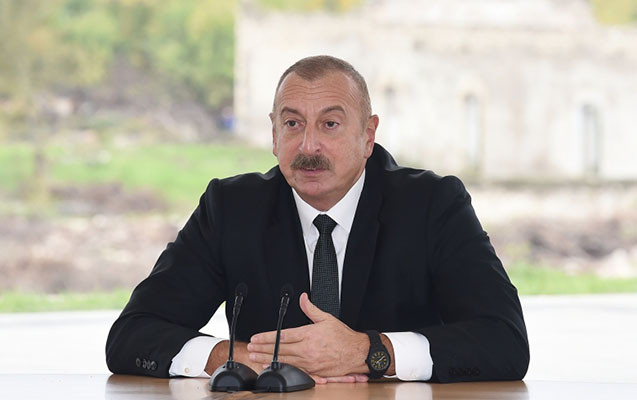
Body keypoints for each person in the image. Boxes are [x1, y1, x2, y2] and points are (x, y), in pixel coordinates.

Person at [106, 55, 529, 383]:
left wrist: (370, 352)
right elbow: (132, 335)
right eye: (293, 123)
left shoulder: (432, 205)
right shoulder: (231, 208)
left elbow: (504, 341)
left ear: (368, 135)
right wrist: (238, 358)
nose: (309, 146)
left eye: (330, 124)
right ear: (274, 134)